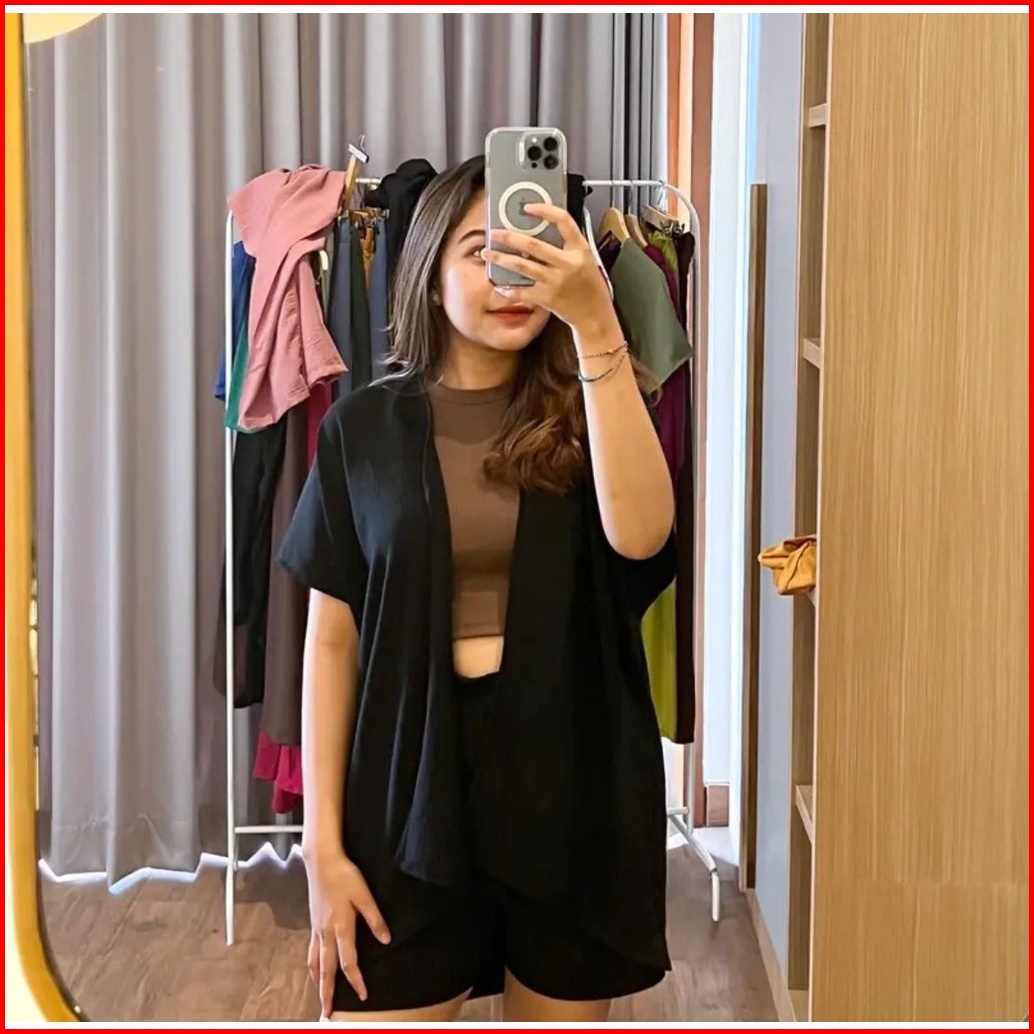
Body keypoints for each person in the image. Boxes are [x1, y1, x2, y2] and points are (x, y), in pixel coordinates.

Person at [277, 154, 677, 1024]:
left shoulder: (595, 409)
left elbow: (643, 536)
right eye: (482, 252)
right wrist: (322, 846)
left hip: (568, 779)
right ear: (428, 271)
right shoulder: (362, 429)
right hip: (406, 781)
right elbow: (332, 642)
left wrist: (596, 323)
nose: (510, 279)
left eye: (532, 254)